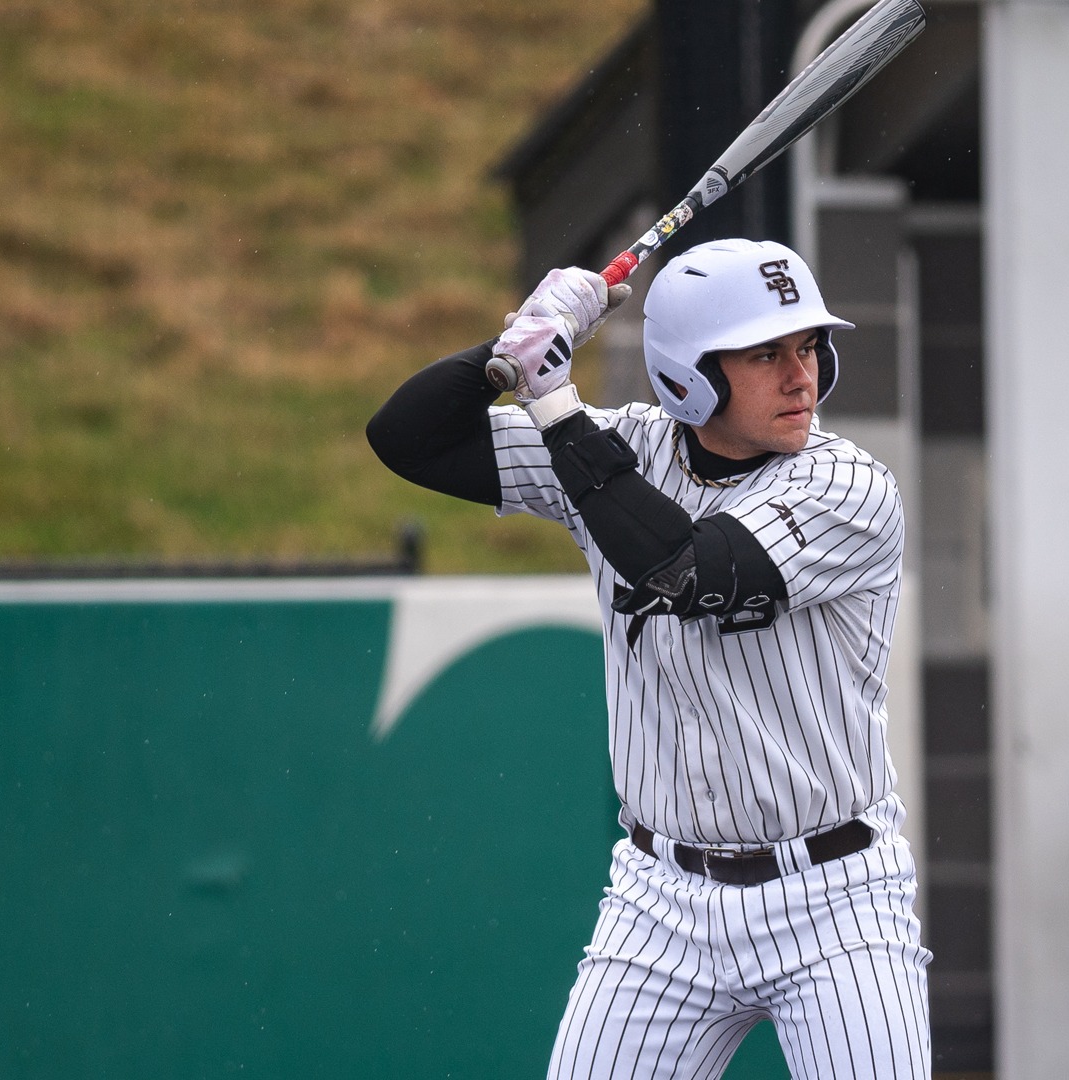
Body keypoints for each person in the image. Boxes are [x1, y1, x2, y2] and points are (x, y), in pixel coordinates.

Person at [367, 238, 930, 1078]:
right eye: (764, 352)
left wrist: (556, 402)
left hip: (836, 896)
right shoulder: (620, 446)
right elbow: (406, 438)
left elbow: (686, 571)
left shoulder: (849, 486)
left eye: (809, 345)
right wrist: (515, 346)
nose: (799, 374)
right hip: (661, 896)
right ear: (687, 372)